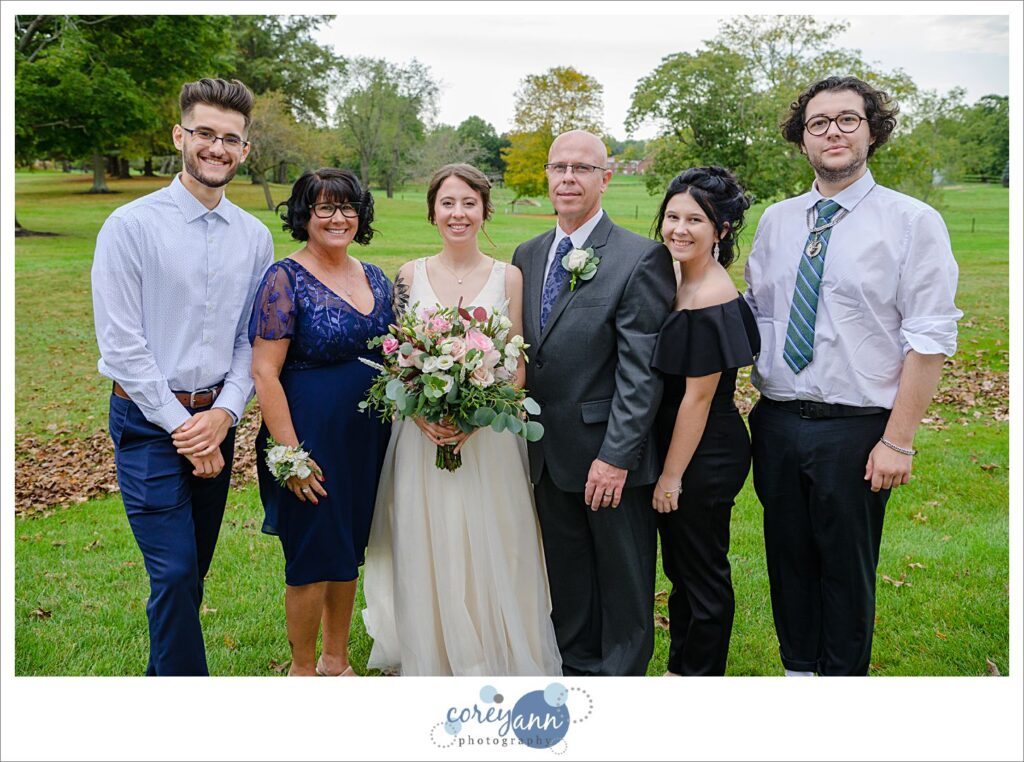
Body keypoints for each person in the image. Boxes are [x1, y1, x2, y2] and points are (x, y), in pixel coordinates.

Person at [744, 76, 962, 676]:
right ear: (802, 139)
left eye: (848, 119)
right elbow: (756, 313)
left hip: (858, 429)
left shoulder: (912, 222)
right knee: (787, 560)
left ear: (872, 131)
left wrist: (899, 439)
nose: (832, 132)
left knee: (845, 570)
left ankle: (843, 689)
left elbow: (930, 336)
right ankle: (798, 672)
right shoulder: (777, 221)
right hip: (777, 421)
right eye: (818, 123)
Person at [92, 78, 272, 675]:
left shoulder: (255, 237)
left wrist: (224, 414)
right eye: (204, 133)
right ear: (179, 136)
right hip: (147, 423)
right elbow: (123, 346)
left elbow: (250, 339)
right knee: (171, 574)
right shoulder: (131, 226)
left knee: (190, 574)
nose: (217, 148)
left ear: (245, 149)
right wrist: (183, 427)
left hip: (217, 420)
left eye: (230, 138)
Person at [362, 163, 562, 676]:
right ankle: (434, 650)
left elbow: (516, 362)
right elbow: (398, 356)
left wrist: (477, 416)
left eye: (469, 203)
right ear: (432, 211)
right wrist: (422, 416)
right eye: (447, 203)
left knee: (498, 541)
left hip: (489, 438)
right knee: (428, 541)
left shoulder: (508, 276)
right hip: (421, 437)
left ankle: (497, 649)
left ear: (484, 210)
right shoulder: (408, 276)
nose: (458, 213)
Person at [511, 131, 676, 676]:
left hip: (607, 454)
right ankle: (575, 673)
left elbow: (640, 371)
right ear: (547, 176)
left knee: (623, 580)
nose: (568, 178)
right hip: (546, 452)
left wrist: (616, 457)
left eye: (582, 168)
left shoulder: (639, 257)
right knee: (568, 576)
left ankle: (621, 680)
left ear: (605, 178)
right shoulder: (528, 254)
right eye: (558, 167)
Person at [249, 169, 393, 677]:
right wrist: (291, 456)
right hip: (308, 437)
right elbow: (265, 372)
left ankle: (337, 661)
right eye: (324, 208)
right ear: (304, 216)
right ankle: (303, 670)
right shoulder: (284, 279)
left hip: (366, 440)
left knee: (346, 549)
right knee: (311, 557)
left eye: (347, 207)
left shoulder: (375, 277)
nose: (338, 218)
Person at [649, 167, 760, 676]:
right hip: (683, 441)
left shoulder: (712, 295)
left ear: (722, 229)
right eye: (672, 216)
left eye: (695, 219)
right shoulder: (682, 279)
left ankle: (700, 676)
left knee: (702, 573)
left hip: (704, 451)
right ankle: (681, 669)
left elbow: (697, 398)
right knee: (682, 569)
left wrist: (671, 477)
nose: (679, 228)